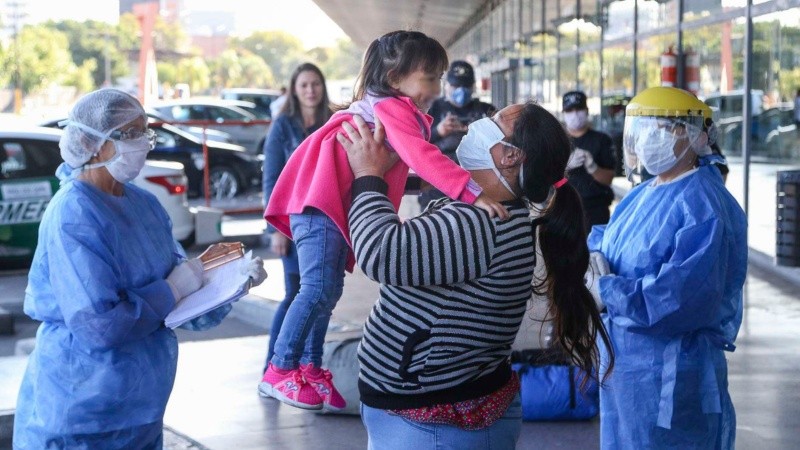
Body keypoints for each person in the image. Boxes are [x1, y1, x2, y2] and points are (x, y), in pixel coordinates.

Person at [337, 103, 613, 449]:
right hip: (433, 413)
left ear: (510, 156)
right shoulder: (495, 212)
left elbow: (379, 252)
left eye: (494, 122)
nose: (478, 124)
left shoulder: (480, 224)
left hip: (432, 424)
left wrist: (368, 176)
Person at [262, 30, 508, 412]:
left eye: (439, 78)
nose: (437, 88)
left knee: (327, 292)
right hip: (317, 205)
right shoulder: (391, 107)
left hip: (324, 204)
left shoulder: (385, 108)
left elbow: (392, 169)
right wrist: (471, 192)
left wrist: (425, 185)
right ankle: (280, 368)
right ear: (395, 78)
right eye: (430, 78)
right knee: (316, 290)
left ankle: (310, 367)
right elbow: (421, 154)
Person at [12, 88, 267, 449]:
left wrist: (226, 282)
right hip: (80, 407)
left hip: (142, 407)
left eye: (144, 132)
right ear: (92, 143)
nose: (142, 143)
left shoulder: (144, 205)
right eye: (130, 133)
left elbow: (177, 299)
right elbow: (99, 325)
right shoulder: (74, 214)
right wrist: (175, 288)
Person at [586, 86, 747, 449]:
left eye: (660, 128)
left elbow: (681, 297)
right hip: (628, 363)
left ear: (696, 136)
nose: (647, 140)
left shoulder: (702, 205)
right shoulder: (646, 192)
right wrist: (592, 261)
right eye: (642, 129)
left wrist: (608, 289)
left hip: (668, 371)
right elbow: (608, 238)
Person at [260, 63, 333, 376]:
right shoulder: (282, 125)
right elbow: (272, 178)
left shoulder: (332, 120)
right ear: (294, 89)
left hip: (326, 221)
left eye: (315, 84)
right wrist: (275, 229)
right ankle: (274, 368)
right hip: (292, 222)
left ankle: (308, 368)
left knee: (322, 296)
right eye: (304, 85)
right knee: (296, 295)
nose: (310, 90)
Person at [418, 60, 496, 208]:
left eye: (466, 86)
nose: (461, 90)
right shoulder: (431, 108)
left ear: (473, 86)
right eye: (456, 86)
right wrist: (438, 131)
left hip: (477, 185)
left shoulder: (486, 110)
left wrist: (475, 133)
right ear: (446, 85)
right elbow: (414, 143)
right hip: (436, 186)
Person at [562, 90, 617, 231]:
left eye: (578, 109)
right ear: (564, 113)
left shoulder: (602, 140)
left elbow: (608, 179)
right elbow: (547, 180)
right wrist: (565, 167)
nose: (575, 114)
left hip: (595, 210)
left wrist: (593, 167)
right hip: (564, 209)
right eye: (570, 110)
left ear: (586, 111)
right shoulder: (557, 141)